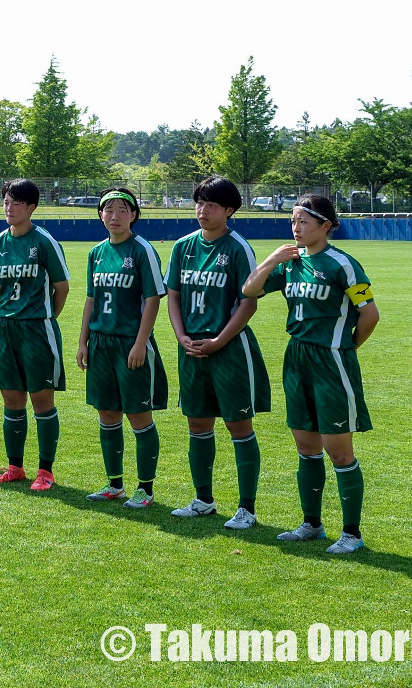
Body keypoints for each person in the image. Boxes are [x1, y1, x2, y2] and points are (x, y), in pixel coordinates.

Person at [242, 194, 379, 555]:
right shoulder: (290, 264)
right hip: (297, 358)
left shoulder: (343, 264)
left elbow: (370, 315)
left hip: (332, 361)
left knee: (339, 450)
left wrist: (345, 348)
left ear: (325, 226)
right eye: (292, 221)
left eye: (303, 221)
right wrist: (273, 258)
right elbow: (249, 289)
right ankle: (312, 524)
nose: (296, 228)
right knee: (306, 446)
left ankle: (351, 533)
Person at [165, 177, 269, 529]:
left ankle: (247, 508)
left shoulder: (238, 247)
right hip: (192, 347)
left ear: (229, 210)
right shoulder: (183, 247)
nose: (202, 210)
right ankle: (203, 500)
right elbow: (174, 296)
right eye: (199, 203)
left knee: (238, 425)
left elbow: (248, 302)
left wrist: (219, 341)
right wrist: (181, 335)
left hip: (229, 349)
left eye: (211, 205)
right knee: (197, 423)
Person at [77, 187, 169, 508]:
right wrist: (83, 341)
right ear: (100, 214)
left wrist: (141, 343)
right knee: (107, 415)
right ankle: (114, 485)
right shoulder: (96, 253)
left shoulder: (142, 250)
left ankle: (146, 489)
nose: (114, 216)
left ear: (133, 215)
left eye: (122, 210)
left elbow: (152, 298)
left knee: (139, 416)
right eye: (108, 210)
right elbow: (91, 299)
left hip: (131, 343)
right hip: (101, 343)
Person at [0, 179, 70, 491]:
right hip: (5, 327)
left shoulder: (44, 241)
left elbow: (62, 288)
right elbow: (1, 288)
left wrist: (46, 318)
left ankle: (45, 472)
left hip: (38, 327)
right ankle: (15, 468)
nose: (9, 208)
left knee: (41, 399)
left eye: (16, 203)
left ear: (31, 207)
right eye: (6, 202)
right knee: (11, 398)